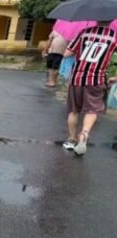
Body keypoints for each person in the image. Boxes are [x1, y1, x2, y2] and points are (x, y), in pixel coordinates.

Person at [62, 21, 117, 156]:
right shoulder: (114, 36)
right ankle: (84, 133)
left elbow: (66, 54)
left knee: (74, 110)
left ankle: (71, 140)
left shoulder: (83, 32)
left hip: (77, 78)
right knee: (92, 110)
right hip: (97, 79)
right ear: (111, 20)